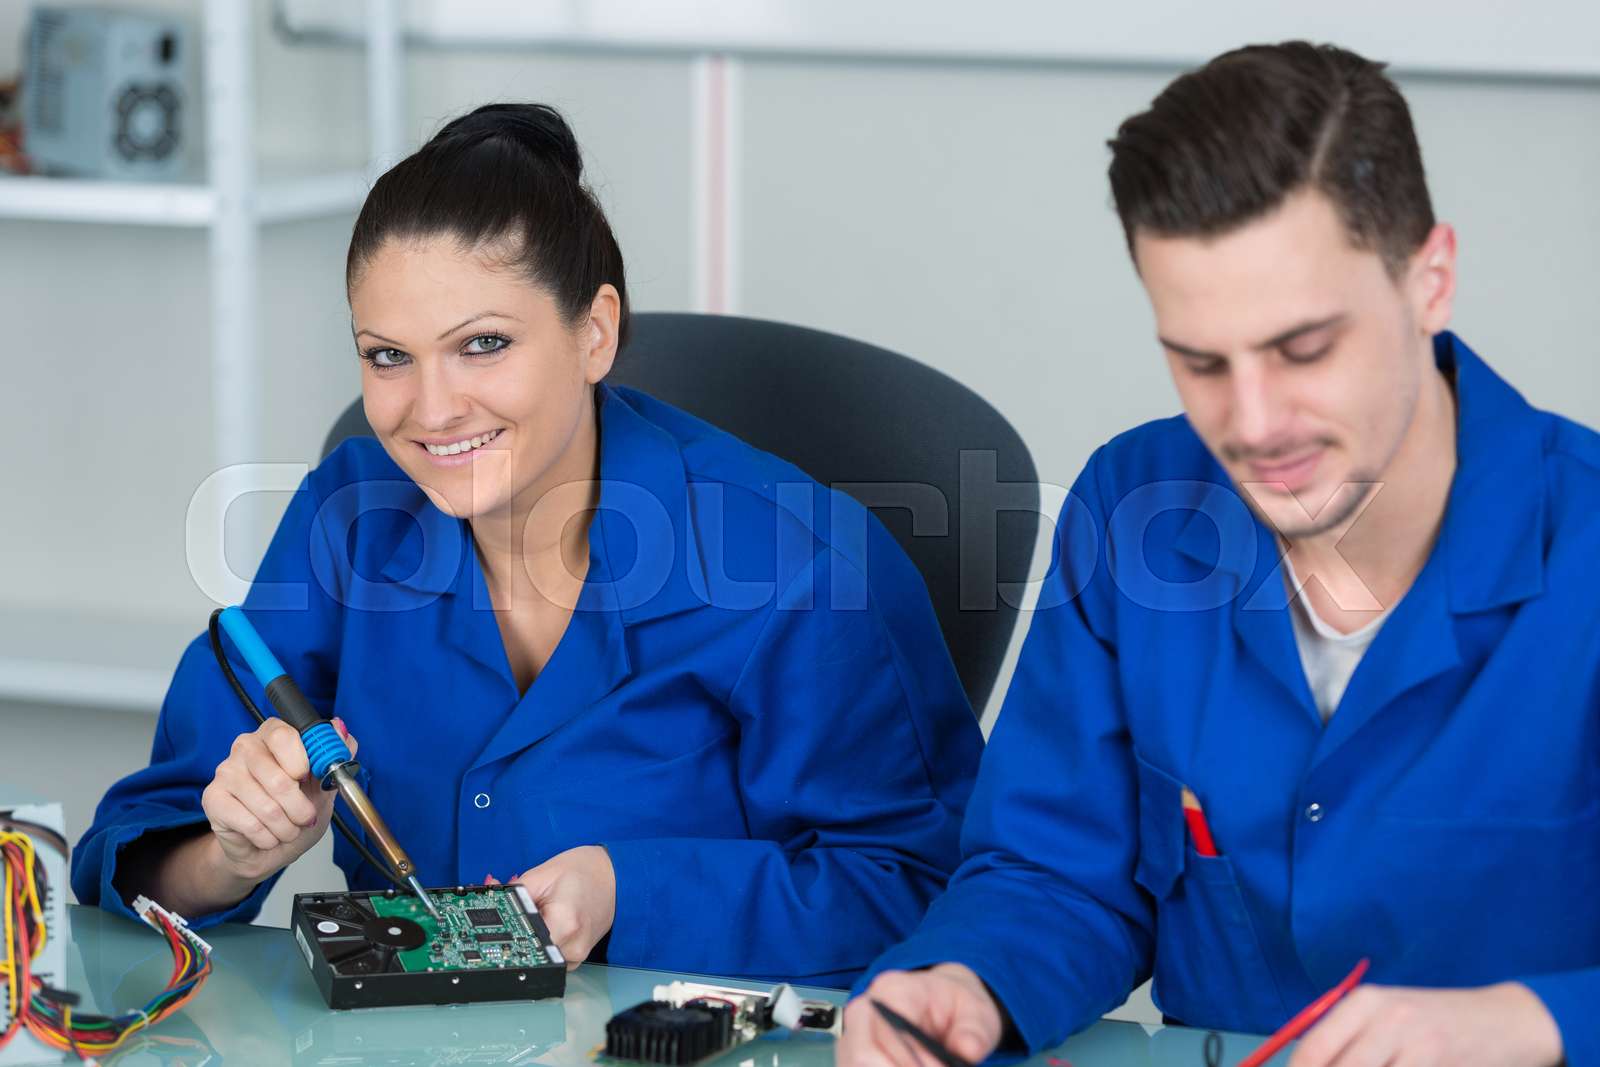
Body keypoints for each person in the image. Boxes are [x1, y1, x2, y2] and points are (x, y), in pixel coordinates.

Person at [72, 103, 983, 987]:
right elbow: (136, 846)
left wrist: (628, 892)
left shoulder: (802, 567)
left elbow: (927, 887)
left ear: (595, 332)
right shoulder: (349, 518)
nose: (430, 410)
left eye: (483, 344)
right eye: (388, 355)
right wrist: (229, 855)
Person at [841, 41, 1598, 1067]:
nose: (1252, 424)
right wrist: (967, 981)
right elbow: (1054, 874)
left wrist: (1529, 1021)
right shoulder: (1130, 504)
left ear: (1430, 281)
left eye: (1303, 350)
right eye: (1200, 362)